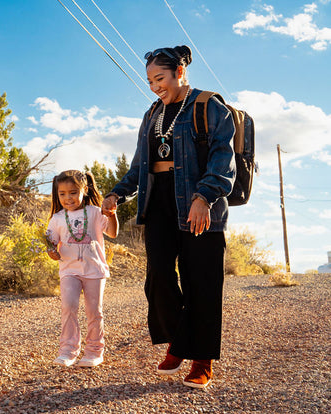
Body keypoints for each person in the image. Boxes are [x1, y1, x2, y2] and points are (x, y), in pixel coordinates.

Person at [102, 45, 235, 389]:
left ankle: (201, 359)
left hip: (196, 200)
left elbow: (223, 158)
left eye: (159, 78)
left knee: (201, 281)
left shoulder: (208, 105)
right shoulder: (152, 114)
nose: (154, 86)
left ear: (179, 72)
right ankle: (180, 342)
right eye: (149, 81)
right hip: (158, 200)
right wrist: (118, 193)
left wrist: (204, 197)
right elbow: (139, 166)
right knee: (159, 277)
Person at [46, 170, 118, 368]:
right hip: (69, 270)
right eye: (62, 194)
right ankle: (68, 351)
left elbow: (112, 232)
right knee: (68, 307)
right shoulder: (57, 218)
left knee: (94, 311)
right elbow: (51, 244)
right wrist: (52, 252)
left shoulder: (95, 212)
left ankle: (95, 351)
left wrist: (111, 215)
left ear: (84, 190)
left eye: (73, 192)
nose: (67, 198)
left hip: (94, 270)